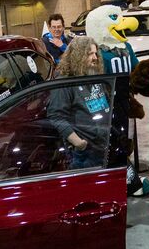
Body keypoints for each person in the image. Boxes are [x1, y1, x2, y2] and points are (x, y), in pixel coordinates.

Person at [47, 38, 110, 169]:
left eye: (95, 53)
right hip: (84, 154)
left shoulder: (93, 75)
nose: (95, 58)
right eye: (89, 54)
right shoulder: (65, 82)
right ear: (78, 56)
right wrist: (79, 143)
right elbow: (56, 116)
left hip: (104, 147)